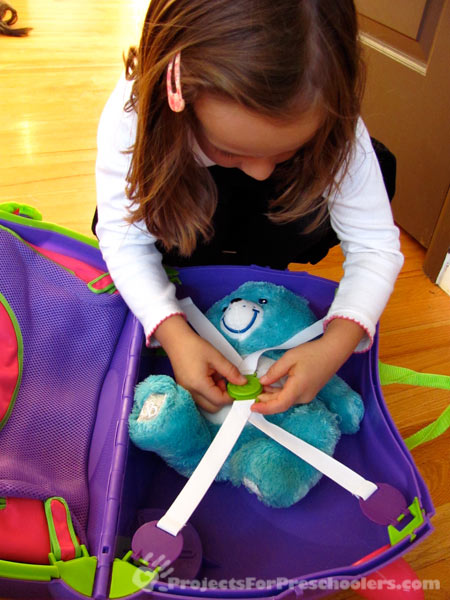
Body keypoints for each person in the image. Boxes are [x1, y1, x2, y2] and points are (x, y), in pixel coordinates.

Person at [95, 0, 403, 416]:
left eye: (289, 149)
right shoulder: (133, 115)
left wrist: (333, 347)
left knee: (377, 169)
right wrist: (170, 328)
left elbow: (374, 246)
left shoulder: (333, 117)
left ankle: (253, 257)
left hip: (270, 226)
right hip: (181, 217)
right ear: (179, 94)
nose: (260, 172)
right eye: (227, 149)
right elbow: (125, 238)